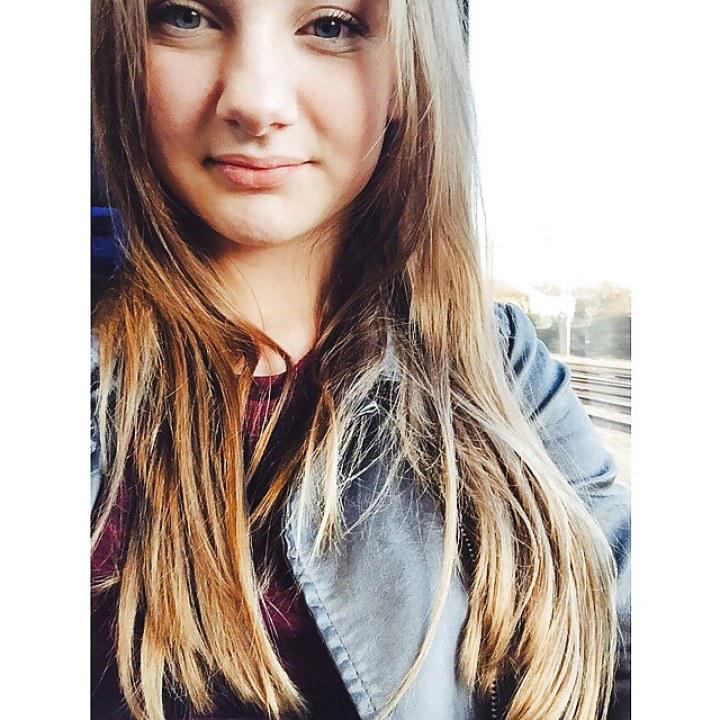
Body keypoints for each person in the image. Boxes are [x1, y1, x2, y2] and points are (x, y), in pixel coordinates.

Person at [90, 1, 631, 719]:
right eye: (186, 16)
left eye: (331, 25)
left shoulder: (504, 367)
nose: (256, 102)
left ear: (407, 75)